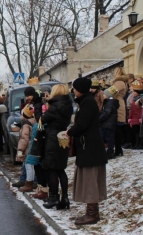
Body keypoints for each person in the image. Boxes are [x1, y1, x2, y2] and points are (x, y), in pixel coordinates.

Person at [67, 77, 107, 225]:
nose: (73, 90)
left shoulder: (88, 103)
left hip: (90, 148)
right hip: (88, 147)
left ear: (80, 89)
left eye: (75, 88)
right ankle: (92, 212)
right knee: (90, 180)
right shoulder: (86, 102)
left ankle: (92, 214)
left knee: (90, 181)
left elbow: (83, 124)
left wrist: (70, 132)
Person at [39, 84, 73, 209]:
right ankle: (65, 198)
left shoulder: (54, 108)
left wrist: (44, 105)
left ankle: (54, 197)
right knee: (61, 169)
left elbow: (41, 119)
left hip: (53, 138)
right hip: (63, 137)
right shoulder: (68, 105)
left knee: (52, 168)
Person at [16, 104, 37, 193]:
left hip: (28, 149)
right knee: (30, 166)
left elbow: (24, 138)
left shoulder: (25, 125)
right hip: (32, 147)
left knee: (28, 165)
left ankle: (29, 182)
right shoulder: (34, 122)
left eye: (22, 114)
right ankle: (28, 181)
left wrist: (20, 149)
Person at [99, 87, 119, 159]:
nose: (103, 95)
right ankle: (110, 151)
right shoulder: (110, 102)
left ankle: (110, 152)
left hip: (108, 123)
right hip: (109, 123)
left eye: (104, 94)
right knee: (109, 137)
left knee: (109, 138)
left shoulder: (110, 103)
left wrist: (99, 119)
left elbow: (106, 113)